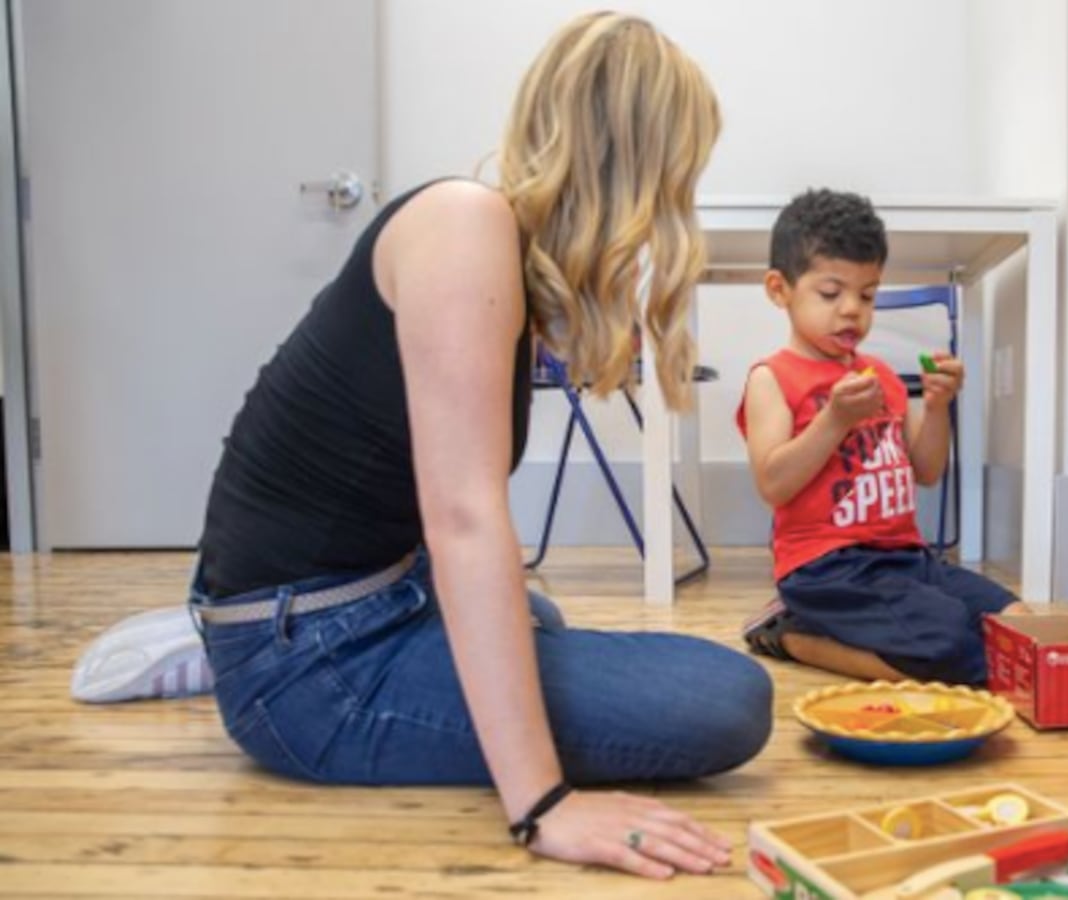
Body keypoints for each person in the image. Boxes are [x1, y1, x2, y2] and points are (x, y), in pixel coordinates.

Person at [188, 12, 771, 881]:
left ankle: (217, 646)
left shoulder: (485, 239)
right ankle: (227, 664)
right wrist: (544, 805)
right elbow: (462, 519)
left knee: (535, 619)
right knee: (728, 701)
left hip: (349, 600)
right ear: (639, 162)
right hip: (313, 663)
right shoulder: (464, 226)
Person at [736, 188, 1028, 687]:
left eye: (867, 294)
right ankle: (792, 635)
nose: (852, 310)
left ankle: (875, 630)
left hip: (905, 559)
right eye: (831, 294)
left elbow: (928, 470)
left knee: (1020, 623)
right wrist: (833, 421)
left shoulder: (882, 377)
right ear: (779, 290)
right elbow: (773, 484)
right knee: (957, 651)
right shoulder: (772, 377)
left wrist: (937, 405)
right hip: (826, 569)